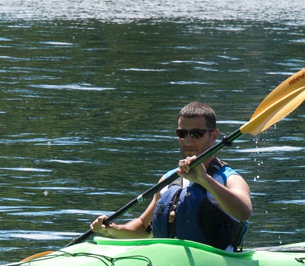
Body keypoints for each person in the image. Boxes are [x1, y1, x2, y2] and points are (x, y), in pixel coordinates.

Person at [90, 101, 252, 250]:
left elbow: (244, 213)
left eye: (196, 134)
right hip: (169, 265)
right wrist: (112, 230)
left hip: (216, 265)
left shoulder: (229, 178)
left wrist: (206, 180)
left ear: (214, 135)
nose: (188, 141)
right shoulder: (169, 179)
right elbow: (142, 228)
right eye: (182, 134)